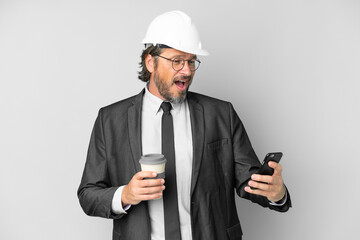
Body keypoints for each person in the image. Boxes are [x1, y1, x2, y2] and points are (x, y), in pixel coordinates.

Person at [78, 10, 291, 240]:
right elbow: (88, 195)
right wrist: (125, 195)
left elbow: (251, 181)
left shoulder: (221, 114)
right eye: (177, 61)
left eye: (191, 61)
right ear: (150, 62)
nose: (187, 71)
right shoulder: (110, 120)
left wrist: (276, 193)